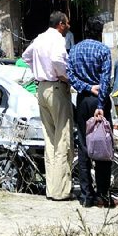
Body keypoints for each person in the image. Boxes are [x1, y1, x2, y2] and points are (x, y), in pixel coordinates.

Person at [23, 12, 73, 202]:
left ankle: (51, 189)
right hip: (56, 86)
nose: (68, 25)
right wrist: (64, 76)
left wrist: (38, 70)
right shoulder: (57, 39)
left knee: (50, 140)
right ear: (61, 24)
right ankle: (61, 191)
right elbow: (58, 60)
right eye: (67, 23)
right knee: (63, 139)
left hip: (41, 87)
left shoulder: (39, 38)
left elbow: (26, 56)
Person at [67, 16, 114, 208]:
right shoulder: (103, 50)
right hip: (99, 101)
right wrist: (101, 105)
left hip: (83, 99)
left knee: (85, 147)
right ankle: (103, 194)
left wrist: (85, 87)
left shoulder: (75, 50)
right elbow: (105, 81)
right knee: (103, 144)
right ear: (100, 32)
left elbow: (69, 75)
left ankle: (86, 195)